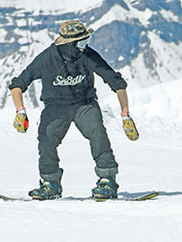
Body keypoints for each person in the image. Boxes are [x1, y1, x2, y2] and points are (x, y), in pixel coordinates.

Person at [7, 19, 137, 200]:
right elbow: (18, 85)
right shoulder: (46, 59)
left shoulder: (89, 56)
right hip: (56, 107)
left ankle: (107, 180)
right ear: (68, 44)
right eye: (81, 42)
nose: (85, 46)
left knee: (97, 133)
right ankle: (50, 184)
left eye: (86, 41)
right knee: (46, 138)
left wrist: (125, 115)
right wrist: (20, 112)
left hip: (84, 104)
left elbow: (117, 83)